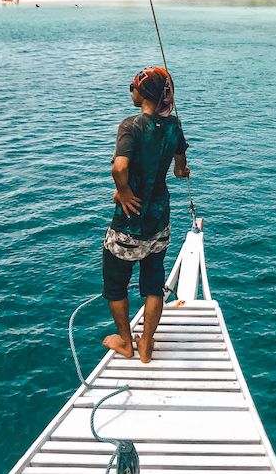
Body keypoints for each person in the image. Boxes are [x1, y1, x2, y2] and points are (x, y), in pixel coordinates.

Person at [102, 66, 189, 363]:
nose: (130, 90)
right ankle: (147, 344)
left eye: (132, 86)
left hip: (129, 221)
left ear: (143, 94)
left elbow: (120, 168)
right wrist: (181, 170)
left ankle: (127, 343)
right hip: (159, 219)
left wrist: (124, 191)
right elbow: (179, 169)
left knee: (116, 285)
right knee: (153, 284)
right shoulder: (174, 127)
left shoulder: (131, 125)